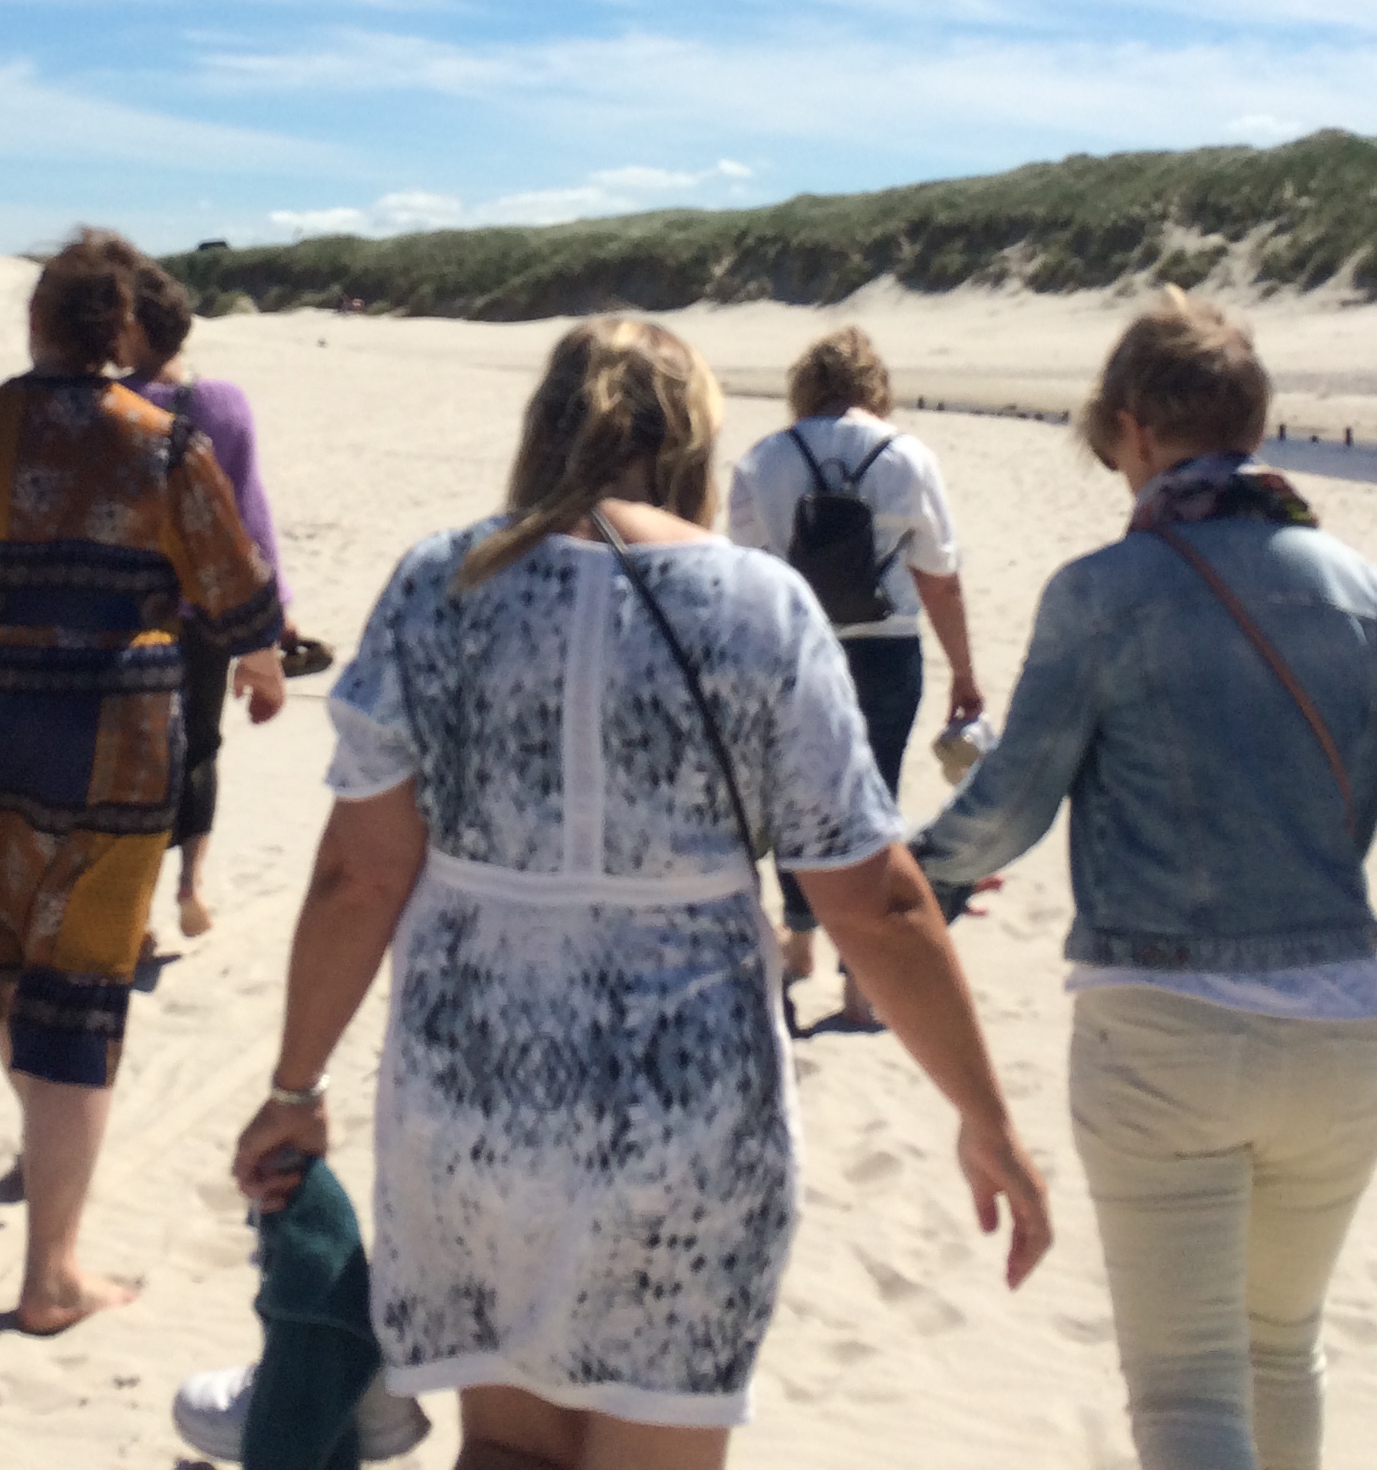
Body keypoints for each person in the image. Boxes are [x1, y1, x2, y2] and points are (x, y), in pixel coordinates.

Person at [228, 318, 1051, 1468]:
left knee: (509, 1451)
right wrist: (988, 1118)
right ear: (695, 446)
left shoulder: (438, 584)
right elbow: (877, 904)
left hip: (473, 1103)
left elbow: (359, 875)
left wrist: (294, 1082)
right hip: (687, 1114)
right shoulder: (759, 606)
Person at [912, 290, 1377, 1470]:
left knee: (1188, 1394)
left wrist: (906, 888)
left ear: (1136, 431)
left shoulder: (1100, 595)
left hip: (1163, 1037)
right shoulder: (1372, 598)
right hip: (1343, 1041)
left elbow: (1012, 808)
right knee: (1280, 1350)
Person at [0, 228, 281, 1333]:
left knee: (5, 959)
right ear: (122, 332)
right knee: (80, 989)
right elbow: (238, 605)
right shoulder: (162, 448)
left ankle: (42, 1157)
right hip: (113, 746)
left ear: (32, 323)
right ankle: (51, 1271)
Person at [722, 324, 980, 1025]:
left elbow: (743, 577)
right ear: (875, 387)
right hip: (887, 649)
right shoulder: (908, 456)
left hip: (790, 649)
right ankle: (861, 986)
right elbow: (940, 577)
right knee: (875, 804)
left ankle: (800, 941)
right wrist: (964, 672)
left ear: (803, 387)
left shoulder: (764, 460)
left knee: (790, 801)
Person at [124, 264, 291, 938]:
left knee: (131, 760)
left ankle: (132, 909)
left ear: (131, 329)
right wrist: (270, 617)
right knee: (199, 746)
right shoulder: (224, 403)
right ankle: (191, 885)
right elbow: (250, 511)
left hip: (127, 614)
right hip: (210, 609)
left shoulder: (109, 403)